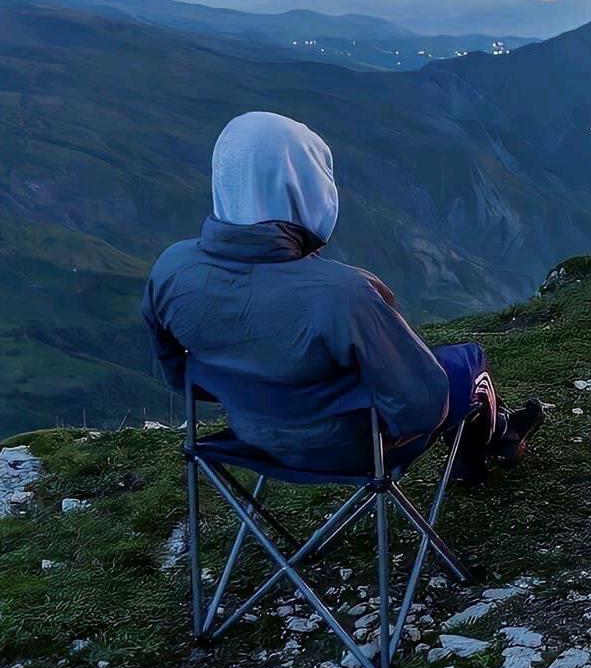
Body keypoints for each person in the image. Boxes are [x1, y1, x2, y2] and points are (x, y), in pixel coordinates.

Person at [141, 110, 544, 482]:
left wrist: (259, 397)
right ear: (304, 186)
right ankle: (496, 437)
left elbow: (181, 376)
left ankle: (494, 438)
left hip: (251, 436)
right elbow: (423, 407)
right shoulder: (344, 294)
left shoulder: (171, 269)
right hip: (352, 448)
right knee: (467, 362)